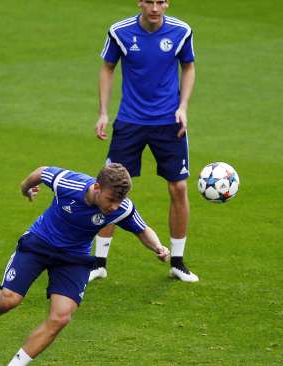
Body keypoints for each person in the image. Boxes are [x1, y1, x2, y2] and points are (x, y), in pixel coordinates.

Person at [0, 164, 170, 366]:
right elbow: (42, 172)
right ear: (97, 187)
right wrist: (25, 188)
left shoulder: (120, 208)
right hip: (39, 244)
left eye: (120, 200)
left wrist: (158, 247)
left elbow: (142, 229)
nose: (114, 206)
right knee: (8, 300)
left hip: (74, 258)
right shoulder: (68, 183)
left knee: (60, 317)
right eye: (111, 199)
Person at [92, 0, 198, 282]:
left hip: (169, 122)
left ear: (167, 3)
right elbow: (107, 67)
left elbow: (188, 67)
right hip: (130, 122)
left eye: (160, 1)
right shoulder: (120, 31)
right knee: (110, 187)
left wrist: (183, 107)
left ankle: (177, 262)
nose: (154, 7)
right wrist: (103, 112)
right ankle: (98, 263)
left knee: (178, 187)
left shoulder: (181, 31)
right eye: (149, 1)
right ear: (140, 2)